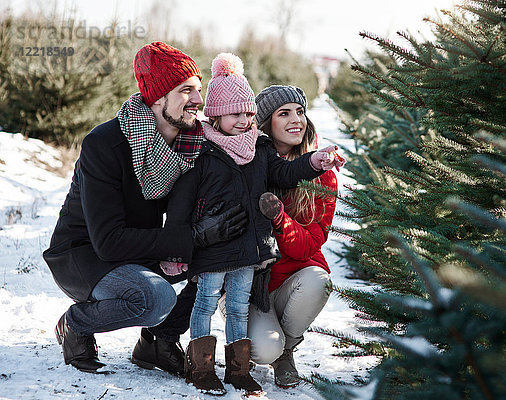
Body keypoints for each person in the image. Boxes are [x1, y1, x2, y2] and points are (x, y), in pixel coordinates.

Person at [42, 42, 248, 374]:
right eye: (186, 91)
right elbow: (108, 241)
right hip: (85, 255)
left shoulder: (190, 143)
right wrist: (194, 237)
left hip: (139, 247)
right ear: (158, 98)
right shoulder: (105, 144)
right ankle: (76, 324)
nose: (199, 100)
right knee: (155, 298)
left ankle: (158, 342)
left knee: (219, 258)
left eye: (199, 89)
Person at [161, 53, 344, 396]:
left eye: (248, 113)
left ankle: (239, 370)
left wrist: (316, 162)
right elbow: (182, 205)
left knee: (236, 309)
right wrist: (178, 245)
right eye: (236, 113)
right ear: (214, 115)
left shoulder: (259, 148)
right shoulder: (203, 152)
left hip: (250, 249)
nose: (244, 120)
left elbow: (285, 174)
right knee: (204, 303)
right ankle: (200, 367)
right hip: (215, 249)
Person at [246, 84, 340, 388]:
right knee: (262, 351)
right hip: (252, 286)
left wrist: (278, 216)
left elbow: (307, 247)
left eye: (300, 112)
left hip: (295, 279)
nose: (295, 119)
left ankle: (286, 351)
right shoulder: (248, 167)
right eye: (284, 113)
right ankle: (267, 343)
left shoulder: (322, 175)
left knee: (318, 281)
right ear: (266, 123)